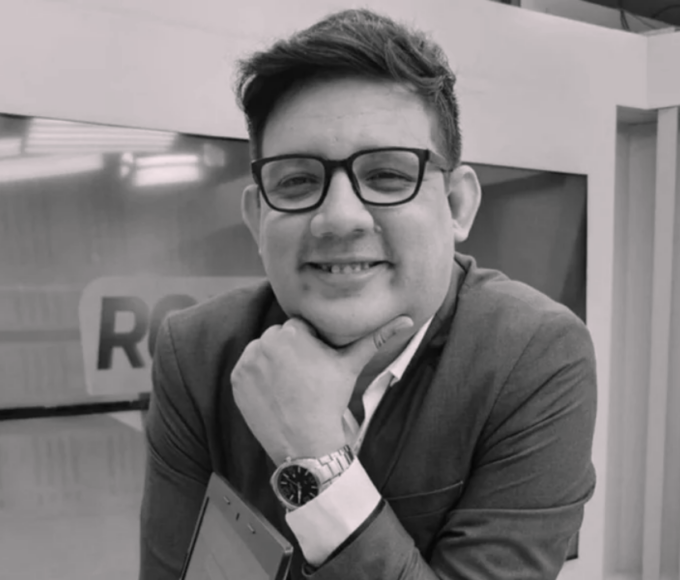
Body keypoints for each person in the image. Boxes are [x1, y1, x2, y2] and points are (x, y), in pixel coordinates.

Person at [139, 8, 597, 580]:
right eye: (297, 181)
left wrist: (319, 462)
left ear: (456, 205)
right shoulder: (197, 351)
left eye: (387, 175)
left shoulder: (535, 357)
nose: (339, 218)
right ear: (258, 219)